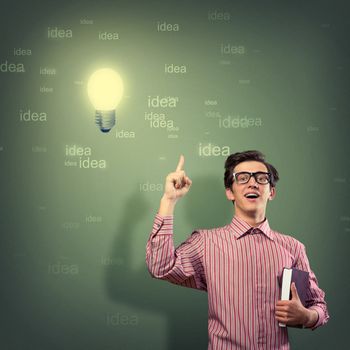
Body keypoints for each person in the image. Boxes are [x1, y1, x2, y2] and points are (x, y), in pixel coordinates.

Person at [145, 150, 329, 349]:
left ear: (272, 192)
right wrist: (168, 201)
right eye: (242, 178)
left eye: (261, 178)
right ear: (229, 192)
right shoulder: (206, 242)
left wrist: (307, 316)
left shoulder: (293, 247)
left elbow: (318, 305)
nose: (253, 183)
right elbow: (160, 267)